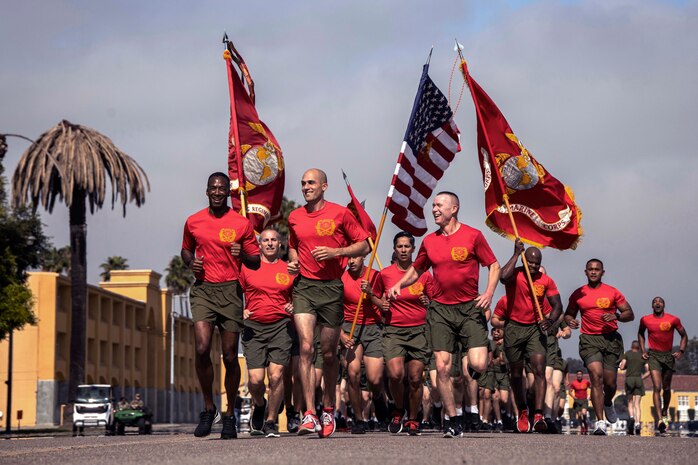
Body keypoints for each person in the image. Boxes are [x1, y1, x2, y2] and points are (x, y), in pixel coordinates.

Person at [388, 192, 500, 438]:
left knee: (480, 363)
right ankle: (453, 418)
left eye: (439, 205)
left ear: (454, 208)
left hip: (469, 308)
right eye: (434, 206)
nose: (435, 209)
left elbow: (493, 265)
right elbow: (417, 269)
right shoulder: (429, 241)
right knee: (442, 367)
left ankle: (472, 369)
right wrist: (400, 284)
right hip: (440, 310)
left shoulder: (473, 236)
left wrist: (489, 293)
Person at [287, 168, 370, 438]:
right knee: (307, 347)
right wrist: (294, 260)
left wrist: (336, 252)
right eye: (302, 183)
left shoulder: (340, 214)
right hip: (304, 289)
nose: (305, 187)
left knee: (330, 353)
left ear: (324, 186)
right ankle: (309, 413)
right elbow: (292, 245)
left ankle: (328, 408)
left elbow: (364, 246)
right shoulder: (295, 216)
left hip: (332, 287)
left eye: (311, 182)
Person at [181, 172, 261, 439]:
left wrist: (243, 254)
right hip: (203, 290)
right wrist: (189, 261)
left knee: (229, 356)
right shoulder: (193, 221)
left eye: (221, 189)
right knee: (202, 348)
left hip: (230, 291)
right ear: (207, 191)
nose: (217, 192)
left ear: (228, 193)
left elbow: (255, 262)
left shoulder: (241, 223)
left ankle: (229, 415)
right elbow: (186, 250)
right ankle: (208, 409)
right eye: (213, 188)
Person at [492, 240, 562, 433]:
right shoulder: (515, 273)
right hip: (514, 328)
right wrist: (516, 254)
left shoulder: (546, 280)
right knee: (516, 374)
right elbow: (503, 278)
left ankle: (538, 414)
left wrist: (550, 322)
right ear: (524, 260)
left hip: (534, 329)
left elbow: (557, 306)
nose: (533, 266)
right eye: (529, 262)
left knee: (539, 370)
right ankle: (522, 411)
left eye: (536, 263)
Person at [372, 231, 434, 436]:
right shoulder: (385, 274)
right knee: (396, 375)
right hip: (393, 331)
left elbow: (436, 300)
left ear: (413, 249)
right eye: (400, 246)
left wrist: (428, 301)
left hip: (418, 331)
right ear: (394, 249)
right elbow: (375, 297)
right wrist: (381, 303)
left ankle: (413, 419)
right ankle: (398, 408)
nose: (404, 250)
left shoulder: (424, 274)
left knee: (415, 378)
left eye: (407, 246)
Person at [564, 259, 634, 435]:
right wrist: (570, 321)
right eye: (590, 269)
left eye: (597, 269)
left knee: (610, 384)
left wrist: (616, 316)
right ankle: (600, 422)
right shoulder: (578, 294)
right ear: (585, 272)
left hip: (611, 340)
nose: (593, 272)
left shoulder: (612, 292)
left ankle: (608, 402)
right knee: (596, 377)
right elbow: (568, 314)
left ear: (603, 272)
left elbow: (630, 314)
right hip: (589, 340)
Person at [239, 228, 295, 438]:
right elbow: (236, 293)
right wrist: (240, 310)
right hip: (253, 327)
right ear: (259, 245)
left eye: (274, 240)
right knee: (255, 380)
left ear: (280, 244)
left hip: (281, 326)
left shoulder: (289, 269)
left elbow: (297, 297)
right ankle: (260, 405)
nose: (270, 243)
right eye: (265, 240)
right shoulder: (247, 267)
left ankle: (271, 421)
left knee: (276, 375)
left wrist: (293, 306)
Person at [340, 254, 386, 434]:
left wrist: (371, 294)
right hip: (350, 328)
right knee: (353, 374)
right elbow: (333, 311)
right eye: (348, 258)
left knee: (374, 379)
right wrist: (341, 335)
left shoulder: (375, 276)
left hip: (372, 328)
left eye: (355, 257)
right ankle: (358, 419)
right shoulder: (341, 278)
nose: (351, 261)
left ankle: (380, 401)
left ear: (364, 258)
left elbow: (384, 306)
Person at [638, 296, 688, 436]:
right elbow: (641, 333)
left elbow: (684, 335)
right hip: (653, 356)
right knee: (657, 387)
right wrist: (643, 350)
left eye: (660, 301)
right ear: (652, 306)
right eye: (655, 302)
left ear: (664, 305)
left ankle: (665, 410)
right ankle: (660, 420)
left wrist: (681, 350)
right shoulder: (645, 320)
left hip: (668, 356)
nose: (657, 303)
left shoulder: (673, 319)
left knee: (666, 388)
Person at [619, 340, 650, 435]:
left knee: (630, 402)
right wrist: (642, 377)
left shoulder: (627, 354)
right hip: (638, 380)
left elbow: (622, 366)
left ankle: (632, 418)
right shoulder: (643, 356)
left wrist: (623, 367)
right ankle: (637, 424)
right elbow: (648, 371)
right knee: (637, 404)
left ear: (632, 346)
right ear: (639, 347)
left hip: (629, 379)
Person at [569, 369, 591, 434]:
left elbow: (592, 388)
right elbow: (570, 391)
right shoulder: (574, 383)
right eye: (578, 374)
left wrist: (590, 396)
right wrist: (573, 397)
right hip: (577, 401)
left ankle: (585, 423)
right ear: (576, 375)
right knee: (578, 415)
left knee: (584, 413)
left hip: (584, 400)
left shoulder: (586, 382)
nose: (579, 376)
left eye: (580, 374)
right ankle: (582, 426)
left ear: (582, 375)